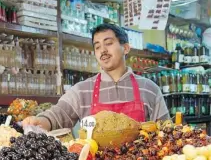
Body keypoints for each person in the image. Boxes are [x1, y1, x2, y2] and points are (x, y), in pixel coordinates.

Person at [23, 23, 170, 131]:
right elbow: (59, 114)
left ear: (125, 48)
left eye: (108, 43)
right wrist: (41, 121)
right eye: (97, 46)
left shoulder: (149, 89)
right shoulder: (82, 90)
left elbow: (166, 131)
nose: (103, 51)